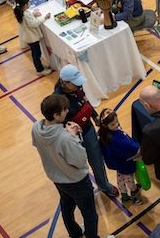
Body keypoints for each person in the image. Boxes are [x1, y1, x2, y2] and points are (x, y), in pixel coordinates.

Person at [32, 94, 100, 238]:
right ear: (56, 115)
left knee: (66, 206)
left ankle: (74, 234)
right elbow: (80, 161)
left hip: (57, 178)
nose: (67, 112)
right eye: (64, 110)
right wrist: (75, 136)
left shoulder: (37, 127)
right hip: (76, 181)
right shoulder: (66, 138)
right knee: (89, 213)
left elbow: (36, 144)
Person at [54, 64, 119, 197]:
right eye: (75, 84)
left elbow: (85, 101)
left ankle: (103, 184)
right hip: (73, 137)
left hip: (87, 128)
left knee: (96, 158)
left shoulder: (77, 87)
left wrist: (94, 116)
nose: (79, 86)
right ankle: (85, 190)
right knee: (79, 165)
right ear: (65, 83)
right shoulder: (58, 100)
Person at [98, 109, 143, 204]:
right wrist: (137, 147)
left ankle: (124, 196)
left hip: (117, 163)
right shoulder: (115, 139)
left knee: (120, 179)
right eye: (113, 124)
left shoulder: (104, 134)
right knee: (129, 180)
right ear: (106, 125)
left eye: (117, 122)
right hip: (124, 163)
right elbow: (129, 146)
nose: (117, 125)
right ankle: (134, 195)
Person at [13, 0, 52, 76]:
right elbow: (34, 23)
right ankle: (40, 69)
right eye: (28, 2)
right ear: (25, 5)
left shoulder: (19, 11)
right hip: (32, 38)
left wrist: (33, 15)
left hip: (29, 36)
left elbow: (27, 20)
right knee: (37, 54)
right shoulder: (25, 14)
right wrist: (44, 17)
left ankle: (39, 66)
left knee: (36, 53)